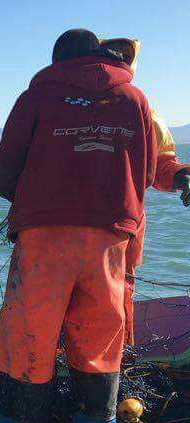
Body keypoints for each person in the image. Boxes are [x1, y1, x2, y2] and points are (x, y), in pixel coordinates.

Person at [0, 29, 158, 423]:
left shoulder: (38, 96)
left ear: (57, 61)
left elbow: (5, 167)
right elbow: (148, 171)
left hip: (45, 236)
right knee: (99, 337)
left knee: (29, 334)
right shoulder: (135, 99)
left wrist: (28, 198)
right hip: (110, 238)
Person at [100, 37, 190, 344]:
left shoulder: (142, 108)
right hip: (91, 222)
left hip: (121, 223)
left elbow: (162, 163)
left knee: (119, 292)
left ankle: (118, 357)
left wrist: (181, 176)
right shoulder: (63, 104)